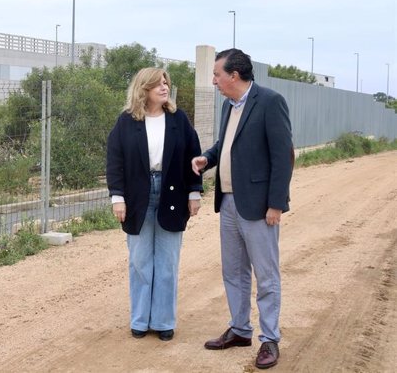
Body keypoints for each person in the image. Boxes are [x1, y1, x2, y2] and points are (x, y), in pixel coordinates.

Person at [191, 49, 293, 369]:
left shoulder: (270, 102)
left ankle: (270, 339)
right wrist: (208, 157)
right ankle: (239, 329)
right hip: (230, 202)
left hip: (260, 207)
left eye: (217, 74)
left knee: (266, 275)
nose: (214, 80)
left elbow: (282, 156)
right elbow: (227, 143)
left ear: (234, 75)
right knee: (233, 272)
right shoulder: (228, 105)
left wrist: (276, 203)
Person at [107, 67, 203, 341]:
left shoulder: (178, 119)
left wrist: (194, 192)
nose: (164, 87)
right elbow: (115, 161)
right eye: (157, 84)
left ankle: (163, 321)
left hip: (172, 195)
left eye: (165, 83)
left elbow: (192, 155)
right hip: (137, 196)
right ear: (143, 89)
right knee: (139, 260)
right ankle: (140, 320)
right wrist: (117, 197)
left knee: (167, 262)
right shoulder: (126, 122)